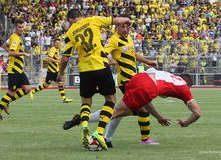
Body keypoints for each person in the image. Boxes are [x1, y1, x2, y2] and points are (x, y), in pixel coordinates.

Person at [63, 16, 159, 147]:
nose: (125, 29)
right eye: (122, 26)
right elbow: (104, 52)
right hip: (126, 80)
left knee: (121, 110)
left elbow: (133, 54)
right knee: (139, 108)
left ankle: (89, 123)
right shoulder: (113, 40)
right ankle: (144, 139)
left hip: (132, 78)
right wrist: (109, 59)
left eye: (127, 27)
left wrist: (148, 62)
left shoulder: (129, 39)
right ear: (116, 27)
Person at [57, 8, 131, 150]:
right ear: (81, 16)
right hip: (101, 65)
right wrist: (127, 21)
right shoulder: (93, 20)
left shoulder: (69, 34)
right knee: (111, 100)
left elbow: (65, 58)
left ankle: (84, 123)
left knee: (86, 102)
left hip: (85, 70)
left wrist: (60, 73)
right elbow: (118, 20)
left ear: (69, 20)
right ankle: (99, 132)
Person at [112, 68, 201, 131]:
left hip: (138, 77)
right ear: (188, 83)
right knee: (116, 112)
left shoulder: (167, 75)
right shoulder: (184, 87)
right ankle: (99, 134)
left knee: (124, 111)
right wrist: (186, 123)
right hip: (148, 85)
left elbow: (147, 102)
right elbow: (197, 113)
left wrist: (159, 117)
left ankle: (105, 137)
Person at [0, 19, 31, 121]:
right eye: (19, 27)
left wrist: (11, 51)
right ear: (15, 27)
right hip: (14, 70)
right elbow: (11, 53)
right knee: (11, 92)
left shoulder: (15, 37)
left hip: (19, 70)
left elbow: (4, 45)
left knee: (27, 89)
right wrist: (23, 54)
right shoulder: (15, 39)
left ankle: (7, 102)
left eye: (22, 27)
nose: (21, 29)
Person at [29, 38, 73, 103]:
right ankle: (33, 91)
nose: (59, 44)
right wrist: (58, 61)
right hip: (51, 71)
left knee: (60, 83)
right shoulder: (53, 49)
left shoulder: (57, 50)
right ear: (54, 43)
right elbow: (49, 58)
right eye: (57, 43)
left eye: (59, 43)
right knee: (46, 85)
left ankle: (64, 98)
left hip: (56, 71)